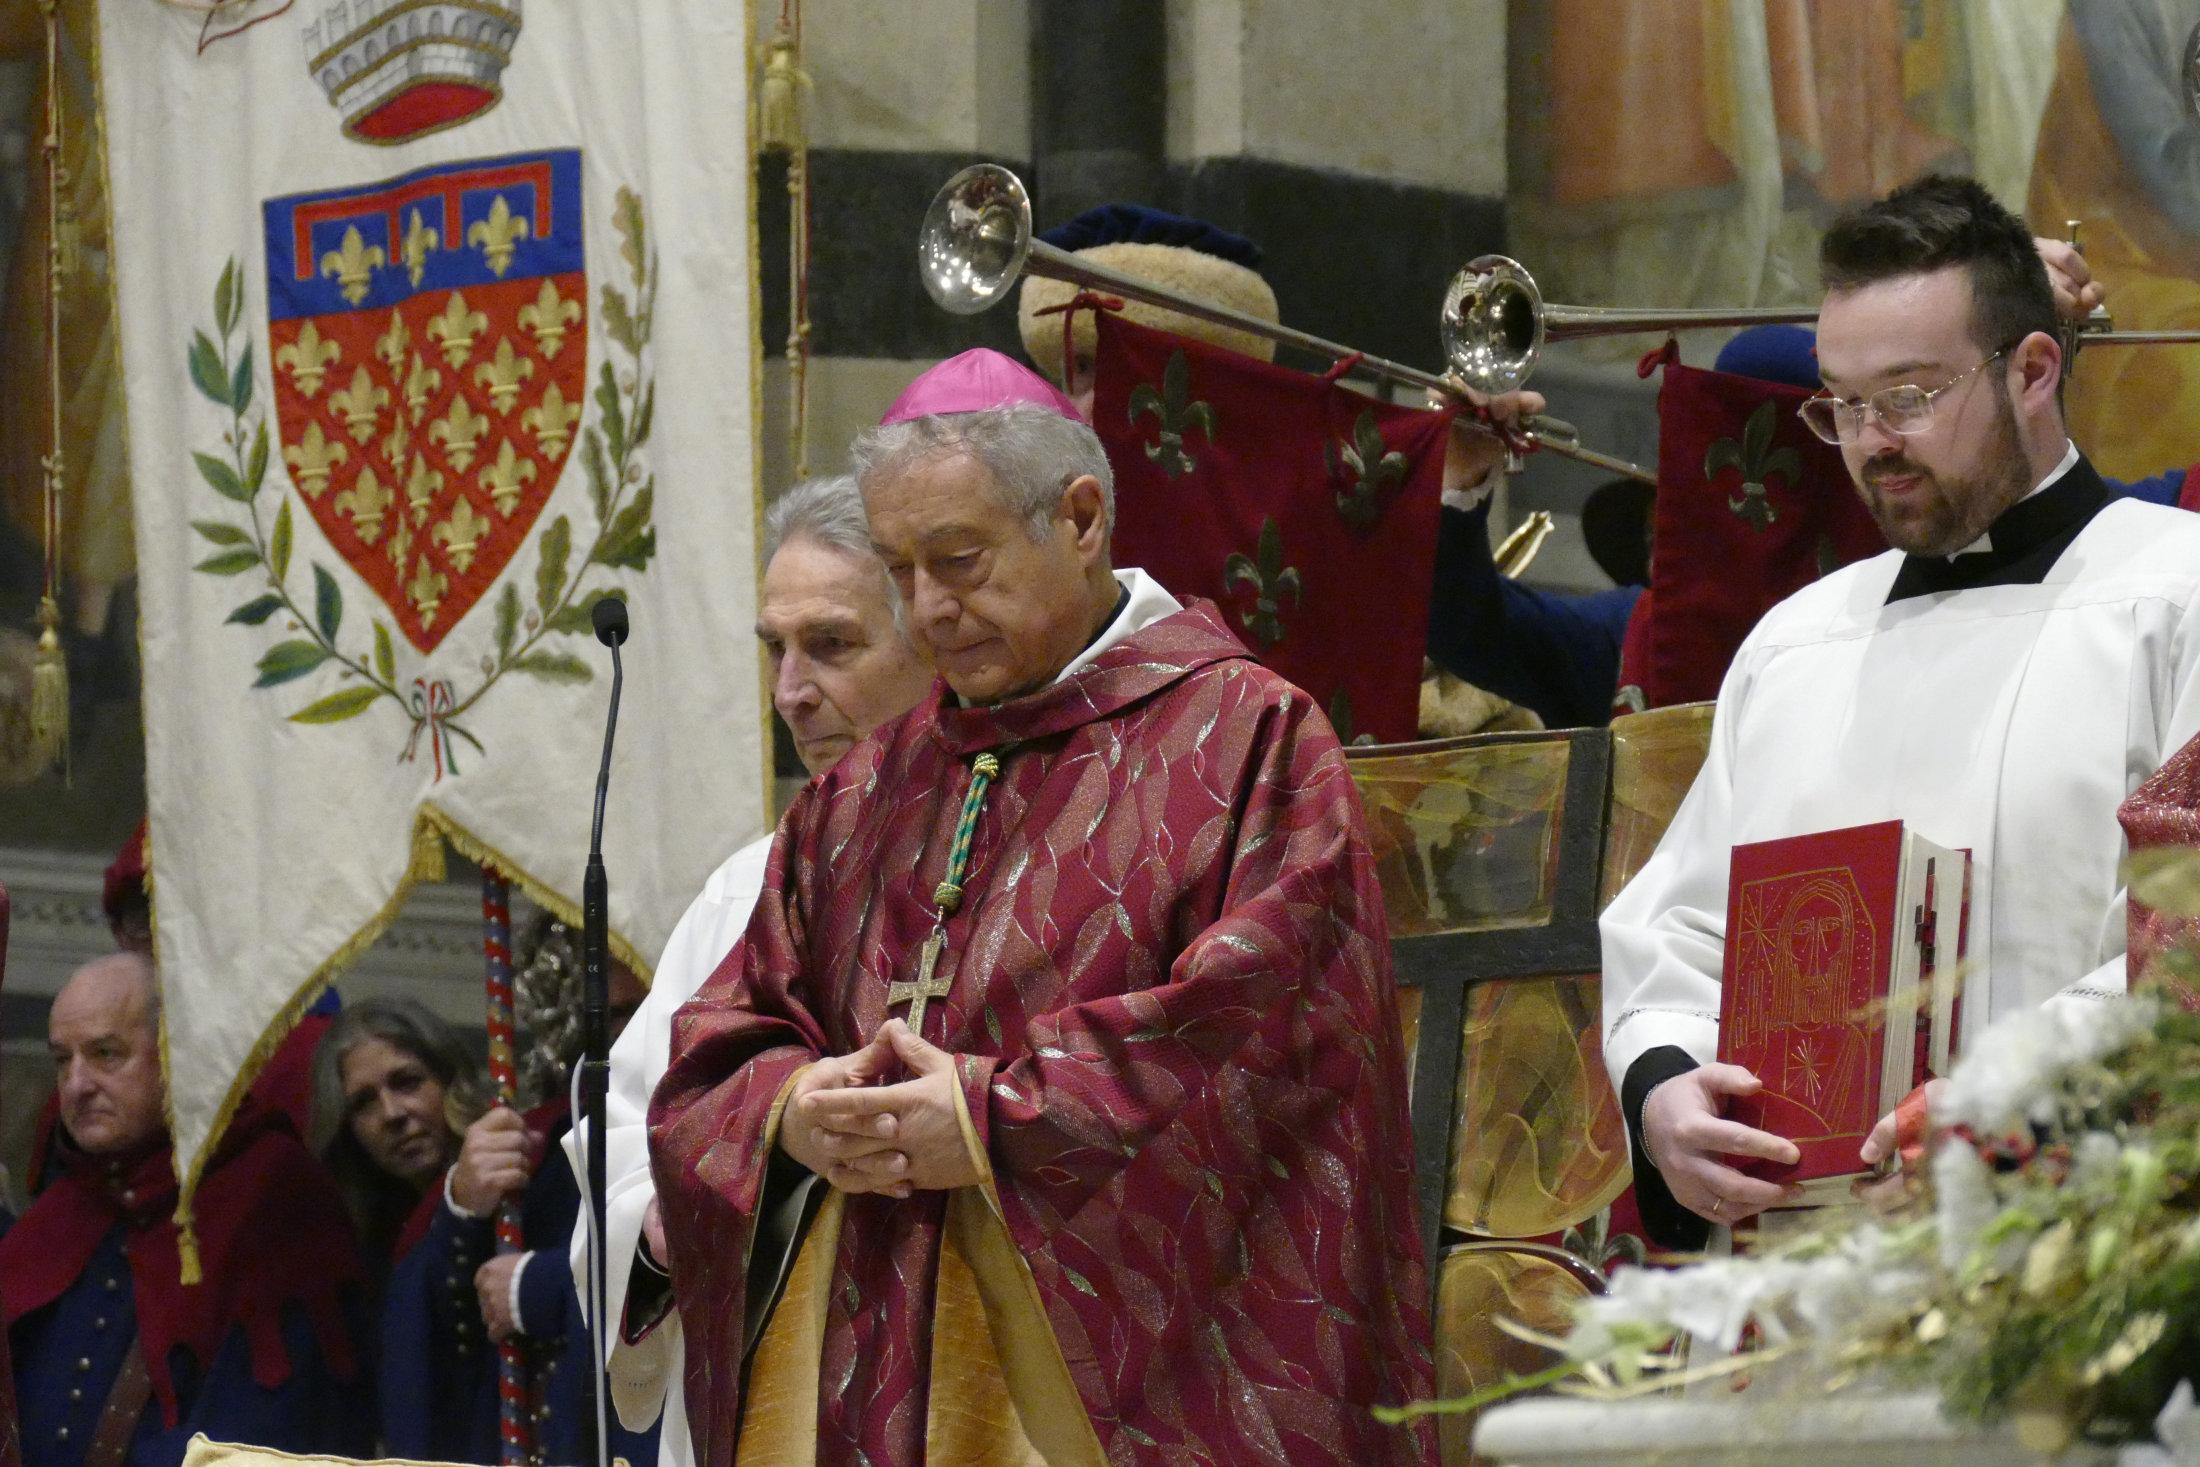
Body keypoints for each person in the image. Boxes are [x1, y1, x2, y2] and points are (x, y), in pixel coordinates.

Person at [649, 348, 1433, 1466]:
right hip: (869, 1363)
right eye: (899, 569)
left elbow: (1269, 1036)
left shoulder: (1242, 740)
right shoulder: (862, 791)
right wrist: (792, 1109)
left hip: (1117, 1385)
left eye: (957, 562)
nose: (927, 611)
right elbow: (726, 1038)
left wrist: (994, 1116)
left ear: (1077, 520)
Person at [1600, 175, 2200, 1249]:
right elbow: (1681, 929)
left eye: (1911, 396)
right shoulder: (1796, 645)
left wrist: (2008, 1099)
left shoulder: (2177, 596)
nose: (1871, 440)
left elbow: (2188, 946)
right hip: (1804, 1272)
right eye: (1842, 403)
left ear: (2031, 370)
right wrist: (1665, 1091)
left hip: (2091, 1253)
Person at [560, 473, 934, 1467]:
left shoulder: (1043, 861)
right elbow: (624, 1142)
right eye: (776, 648)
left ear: (937, 640)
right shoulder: (746, 890)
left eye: (832, 645)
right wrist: (669, 1226)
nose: (789, 691)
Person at [3, 953, 371, 1467]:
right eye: (63, 1059)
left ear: (176, 1054)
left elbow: (270, 1428)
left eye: (106, 1053)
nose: (77, 1084)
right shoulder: (64, 1208)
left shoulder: (271, 1192)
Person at [310, 995, 650, 1466]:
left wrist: (534, 1279)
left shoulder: (545, 1157)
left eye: (407, 1082)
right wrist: (459, 1207)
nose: (392, 1113)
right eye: (363, 1102)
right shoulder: (366, 1240)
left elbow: (622, 1266)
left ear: (450, 1079)